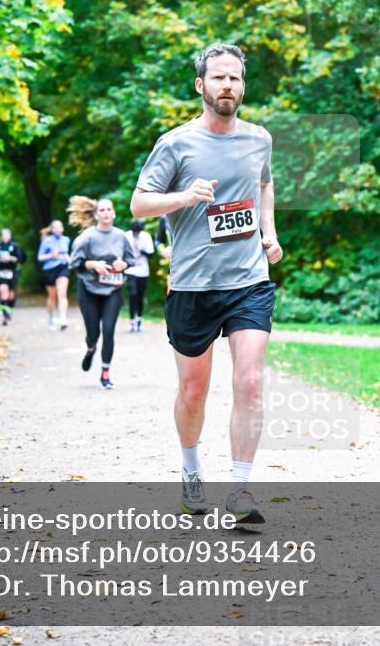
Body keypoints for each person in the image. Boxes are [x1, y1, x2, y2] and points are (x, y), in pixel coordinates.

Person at [130, 43, 282, 524]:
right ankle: (192, 470)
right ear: (201, 85)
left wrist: (269, 232)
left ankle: (240, 490)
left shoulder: (259, 139)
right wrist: (183, 197)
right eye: (218, 78)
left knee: (249, 381)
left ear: (243, 86)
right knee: (193, 392)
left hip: (249, 281)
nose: (227, 86)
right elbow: (138, 204)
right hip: (193, 285)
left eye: (234, 78)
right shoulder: (176, 144)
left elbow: (264, 184)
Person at [68, 196, 136, 389]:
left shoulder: (121, 236)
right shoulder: (87, 237)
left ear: (113, 213)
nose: (106, 213)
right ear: (96, 215)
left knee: (108, 330)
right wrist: (93, 264)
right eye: (102, 210)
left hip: (113, 289)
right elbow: (74, 263)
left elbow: (131, 261)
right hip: (89, 289)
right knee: (93, 333)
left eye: (109, 209)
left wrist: (123, 265)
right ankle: (91, 348)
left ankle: (105, 373)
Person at [37, 220, 71, 330]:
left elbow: (66, 253)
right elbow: (39, 257)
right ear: (52, 229)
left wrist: (68, 258)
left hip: (63, 267)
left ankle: (63, 318)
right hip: (50, 269)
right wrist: (51, 255)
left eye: (60, 226)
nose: (58, 229)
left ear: (62, 228)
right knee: (52, 297)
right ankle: (50, 316)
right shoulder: (46, 240)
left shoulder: (66, 239)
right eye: (55, 227)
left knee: (62, 294)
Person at [0, 228, 26, 325]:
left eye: (6, 235)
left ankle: (9, 310)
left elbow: (21, 259)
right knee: (3, 291)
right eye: (3, 235)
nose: (4, 237)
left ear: (10, 235)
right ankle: (5, 316)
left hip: (12, 272)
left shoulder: (15, 246)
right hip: (1, 272)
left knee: (11, 295)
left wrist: (11, 258)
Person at [125, 219, 155, 332]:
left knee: (140, 296)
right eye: (134, 231)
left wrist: (140, 250)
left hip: (143, 270)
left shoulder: (146, 237)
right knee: (133, 294)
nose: (135, 233)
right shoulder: (126, 236)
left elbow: (151, 255)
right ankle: (131, 320)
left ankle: (139, 318)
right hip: (130, 269)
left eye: (137, 232)